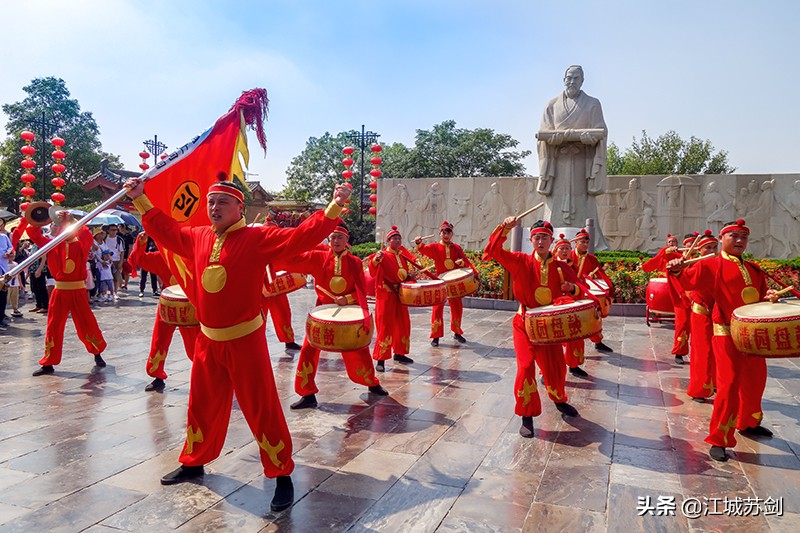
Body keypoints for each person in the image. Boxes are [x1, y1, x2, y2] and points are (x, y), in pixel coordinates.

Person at [125, 175, 351, 512]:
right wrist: (141, 199)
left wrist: (334, 206)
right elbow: (167, 231)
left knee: (262, 407)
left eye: (223, 202)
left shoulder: (257, 238)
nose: (214, 208)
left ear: (239, 208)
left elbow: (300, 236)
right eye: (211, 202)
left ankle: (281, 473)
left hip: (246, 341)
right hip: (208, 340)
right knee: (201, 405)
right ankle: (194, 461)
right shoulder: (198, 237)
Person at [668, 219, 779, 462]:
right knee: (728, 386)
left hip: (751, 335)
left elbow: (760, 298)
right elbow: (687, 280)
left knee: (756, 381)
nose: (740, 241)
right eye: (734, 236)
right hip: (726, 333)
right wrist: (676, 269)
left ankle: (748, 423)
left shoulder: (753, 270)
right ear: (722, 238)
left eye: (744, 237)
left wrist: (769, 297)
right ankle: (719, 439)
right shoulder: (711, 265)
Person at [484, 218, 591, 437]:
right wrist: (504, 228)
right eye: (536, 238)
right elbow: (493, 251)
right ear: (531, 240)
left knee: (555, 368)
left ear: (551, 241)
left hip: (548, 325)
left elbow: (583, 289)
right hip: (524, 323)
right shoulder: (520, 261)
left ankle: (559, 401)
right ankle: (527, 415)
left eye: (544, 238)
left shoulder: (561, 267)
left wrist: (572, 288)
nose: (540, 241)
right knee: (525, 367)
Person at [275, 224, 388, 409]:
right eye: (333, 237)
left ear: (347, 240)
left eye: (340, 237)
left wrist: (348, 298)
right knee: (308, 350)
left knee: (358, 349)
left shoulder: (355, 262)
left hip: (348, 311)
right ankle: (307, 393)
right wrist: (272, 256)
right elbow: (293, 260)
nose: (336, 241)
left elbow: (361, 290)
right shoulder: (317, 257)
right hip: (322, 311)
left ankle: (371, 383)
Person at [18, 213, 108, 375]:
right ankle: (48, 362)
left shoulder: (81, 244)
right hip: (60, 291)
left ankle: (97, 353)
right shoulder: (51, 245)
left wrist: (70, 219)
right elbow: (33, 234)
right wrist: (37, 217)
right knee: (54, 326)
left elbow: (86, 233)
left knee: (87, 323)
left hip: (78, 291)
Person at [536, 65, 607, 232]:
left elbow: (601, 132)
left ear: (582, 81)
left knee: (584, 202)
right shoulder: (552, 105)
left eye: (576, 78)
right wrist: (552, 140)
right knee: (556, 201)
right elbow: (543, 135)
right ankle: (552, 235)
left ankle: (587, 237)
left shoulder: (592, 104)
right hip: (557, 163)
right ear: (564, 80)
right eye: (569, 78)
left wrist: (590, 140)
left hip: (583, 162)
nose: (572, 82)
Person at [129, 231, 199, 392]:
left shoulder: (196, 255)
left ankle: (206, 373)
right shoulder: (163, 257)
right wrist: (141, 243)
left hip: (191, 306)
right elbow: (140, 259)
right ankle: (157, 375)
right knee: (159, 339)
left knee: (195, 344)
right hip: (167, 305)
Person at [414, 220, 477, 347]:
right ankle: (436, 336)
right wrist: (418, 243)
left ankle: (457, 332)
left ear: (452, 234)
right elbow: (423, 249)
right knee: (437, 308)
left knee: (457, 307)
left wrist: (465, 266)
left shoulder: (456, 248)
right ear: (440, 234)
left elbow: (466, 261)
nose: (446, 235)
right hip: (440, 281)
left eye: (448, 233)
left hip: (455, 282)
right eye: (444, 233)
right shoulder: (435, 247)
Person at [368, 225, 417, 372]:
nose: (397, 240)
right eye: (394, 238)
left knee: (403, 324)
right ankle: (381, 359)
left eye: (399, 238)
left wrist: (410, 276)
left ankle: (400, 353)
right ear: (388, 241)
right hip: (386, 295)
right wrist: (376, 260)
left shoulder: (402, 256)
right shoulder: (382, 255)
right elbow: (372, 269)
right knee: (385, 326)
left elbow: (403, 275)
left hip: (400, 295)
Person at [642, 233, 692, 364]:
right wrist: (668, 251)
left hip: (698, 298)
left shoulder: (700, 259)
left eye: (694, 244)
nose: (691, 246)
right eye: (689, 244)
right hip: (681, 295)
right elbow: (662, 256)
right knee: (682, 324)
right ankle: (679, 353)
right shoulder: (676, 256)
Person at [568, 227, 615, 355]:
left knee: (593, 318)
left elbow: (601, 275)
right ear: (575, 242)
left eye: (587, 242)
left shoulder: (591, 259)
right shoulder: (569, 256)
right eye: (582, 242)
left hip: (588, 294)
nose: (585, 245)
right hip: (572, 293)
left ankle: (598, 341)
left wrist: (596, 279)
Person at [686, 230, 718, 402]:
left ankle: (715, 382)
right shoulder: (696, 265)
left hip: (719, 314)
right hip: (702, 313)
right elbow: (683, 282)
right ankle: (699, 389)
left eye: (714, 247)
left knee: (718, 351)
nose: (712, 250)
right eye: (708, 247)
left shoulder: (721, 264)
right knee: (702, 351)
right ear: (699, 250)